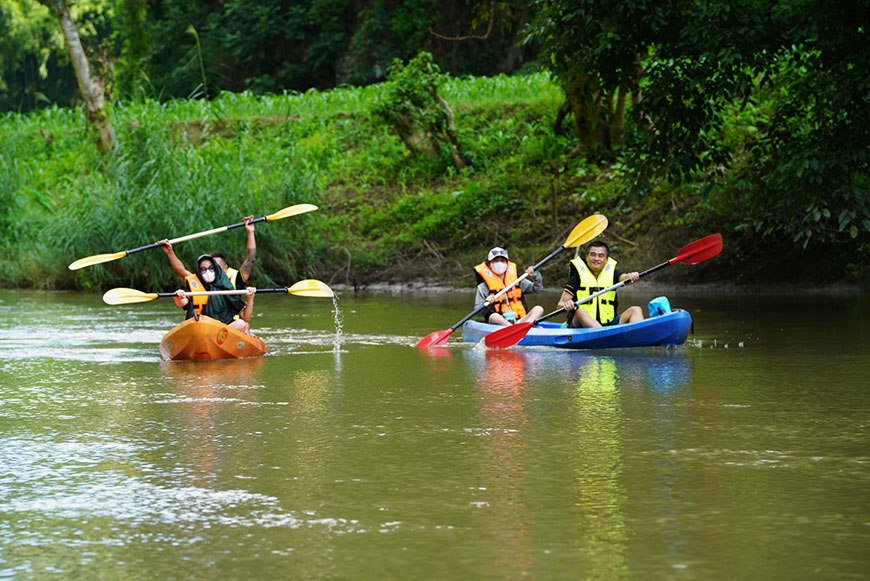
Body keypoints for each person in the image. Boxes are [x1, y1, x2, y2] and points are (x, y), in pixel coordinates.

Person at [160, 242, 256, 335]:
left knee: (241, 324)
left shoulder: (228, 288)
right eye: (203, 269)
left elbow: (245, 317)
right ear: (199, 271)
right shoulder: (196, 286)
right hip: (201, 329)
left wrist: (250, 298)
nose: (207, 272)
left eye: (211, 268)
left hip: (224, 331)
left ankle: (218, 335)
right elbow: (183, 302)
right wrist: (178, 297)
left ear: (217, 269)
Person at [557, 241, 643, 328]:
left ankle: (638, 337)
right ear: (587, 257)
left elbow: (624, 277)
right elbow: (560, 305)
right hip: (580, 326)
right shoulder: (577, 277)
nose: (596, 258)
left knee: (636, 310)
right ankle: (605, 336)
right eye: (593, 255)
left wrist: (630, 276)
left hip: (609, 324)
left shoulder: (612, 273)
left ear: (606, 259)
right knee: (580, 312)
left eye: (601, 256)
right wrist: (566, 304)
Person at [474, 247, 544, 326]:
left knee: (538, 309)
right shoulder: (483, 287)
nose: (499, 263)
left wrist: (535, 275)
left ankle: (527, 326)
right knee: (493, 317)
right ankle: (513, 329)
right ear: (489, 264)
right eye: (496, 261)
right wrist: (487, 303)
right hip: (500, 323)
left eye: (502, 261)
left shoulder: (516, 280)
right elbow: (479, 313)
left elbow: (537, 289)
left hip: (521, 321)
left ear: (507, 264)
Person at [211, 215, 257, 289]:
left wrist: (250, 232)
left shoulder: (236, 279)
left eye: (217, 266)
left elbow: (250, 259)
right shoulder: (203, 281)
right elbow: (185, 273)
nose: (214, 269)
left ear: (226, 268)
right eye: (211, 267)